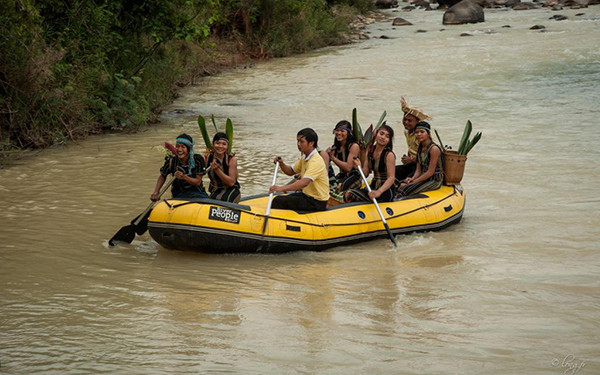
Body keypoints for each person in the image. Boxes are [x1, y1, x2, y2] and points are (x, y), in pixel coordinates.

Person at [269, 128, 330, 212]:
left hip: (317, 201)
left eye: (301, 142)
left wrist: (281, 188)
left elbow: (303, 183)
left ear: (311, 143)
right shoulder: (305, 157)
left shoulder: (316, 161)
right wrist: (282, 164)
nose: (298, 144)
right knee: (280, 199)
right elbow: (290, 171)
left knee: (279, 201)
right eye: (297, 141)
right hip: (307, 195)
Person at [344, 124, 396, 203]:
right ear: (376, 134)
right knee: (349, 194)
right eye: (381, 134)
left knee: (354, 196)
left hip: (386, 190)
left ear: (389, 140)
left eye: (387, 136)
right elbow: (365, 173)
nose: (383, 137)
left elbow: (391, 178)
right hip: (373, 186)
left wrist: (378, 192)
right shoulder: (370, 150)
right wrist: (359, 166)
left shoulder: (389, 155)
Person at [151, 133, 208, 201]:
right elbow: (163, 175)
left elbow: (198, 182)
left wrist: (184, 177)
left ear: (189, 149)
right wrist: (156, 191)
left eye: (183, 147)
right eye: (177, 146)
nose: (179, 149)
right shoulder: (171, 160)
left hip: (197, 193)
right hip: (178, 194)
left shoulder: (198, 159)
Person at [397, 121, 444, 197]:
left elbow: (430, 172)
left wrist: (414, 182)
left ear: (428, 134)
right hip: (423, 176)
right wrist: (412, 179)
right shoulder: (420, 147)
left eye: (422, 132)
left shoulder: (434, 149)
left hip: (434, 180)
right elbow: (418, 169)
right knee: (399, 184)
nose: (419, 134)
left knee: (405, 189)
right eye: (416, 132)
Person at [320, 120, 361, 203]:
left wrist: (333, 157)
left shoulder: (353, 146)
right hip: (342, 176)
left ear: (348, 133)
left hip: (354, 176)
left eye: (342, 131)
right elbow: (321, 161)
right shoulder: (335, 147)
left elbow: (348, 168)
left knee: (338, 188)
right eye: (337, 130)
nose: (339, 133)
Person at [395, 96, 432, 183]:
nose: (406, 122)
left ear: (417, 122)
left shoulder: (421, 137)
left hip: (421, 168)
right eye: (405, 119)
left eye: (410, 121)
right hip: (412, 165)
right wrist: (407, 159)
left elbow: (426, 160)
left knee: (405, 181)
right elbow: (411, 148)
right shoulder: (407, 132)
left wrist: (411, 160)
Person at [206, 132, 241, 203]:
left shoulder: (231, 159)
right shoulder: (208, 158)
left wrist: (217, 170)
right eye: (217, 143)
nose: (220, 146)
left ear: (227, 146)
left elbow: (231, 182)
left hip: (230, 191)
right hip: (215, 190)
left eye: (224, 144)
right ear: (213, 144)